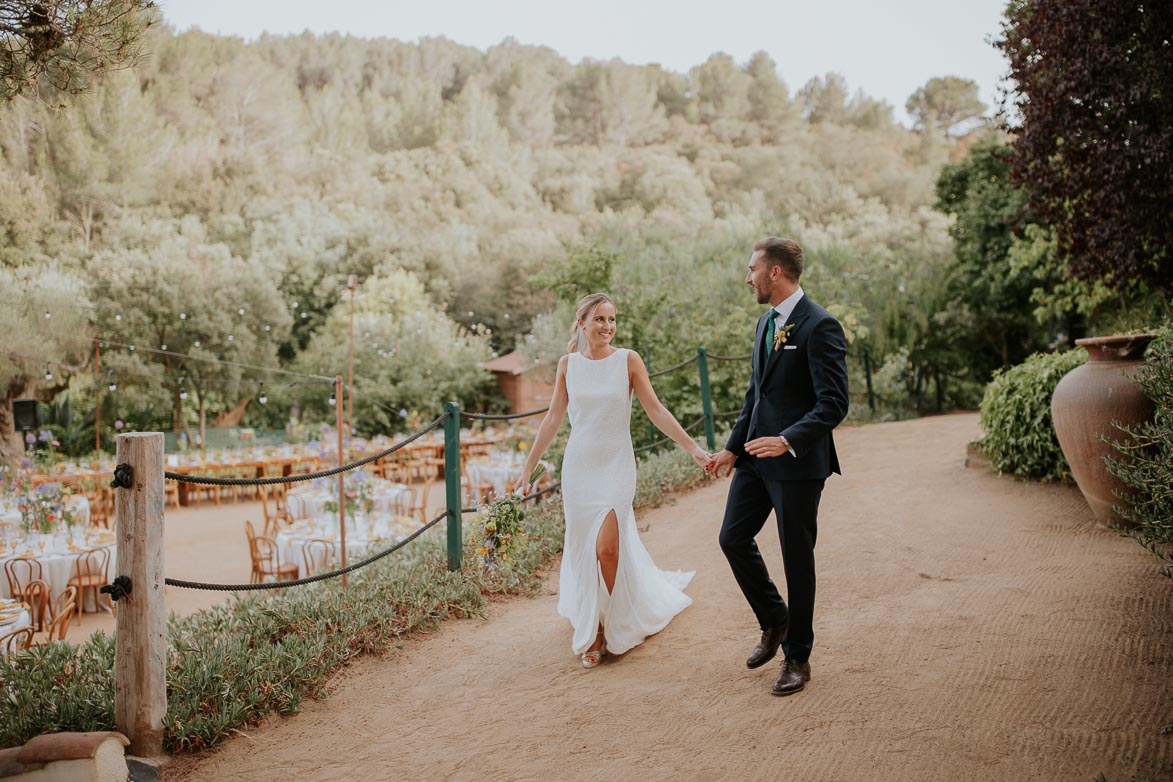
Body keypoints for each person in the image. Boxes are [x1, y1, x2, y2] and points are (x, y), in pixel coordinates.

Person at [521, 292, 713, 668]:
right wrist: (527, 469)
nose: (607, 327)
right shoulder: (567, 365)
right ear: (582, 324)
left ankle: (617, 624)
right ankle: (592, 628)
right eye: (600, 320)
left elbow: (655, 409)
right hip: (579, 468)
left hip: (615, 465)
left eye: (612, 320)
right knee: (583, 548)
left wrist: (693, 448)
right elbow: (553, 420)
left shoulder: (628, 361)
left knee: (608, 548)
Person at [707, 237, 849, 696]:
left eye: (752, 269)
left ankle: (798, 658)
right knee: (732, 537)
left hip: (797, 464)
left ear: (775, 273)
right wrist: (733, 449)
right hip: (754, 459)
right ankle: (774, 618)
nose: (747, 277)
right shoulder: (764, 323)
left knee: (795, 558)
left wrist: (787, 440)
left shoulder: (821, 325)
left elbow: (834, 403)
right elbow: (756, 396)